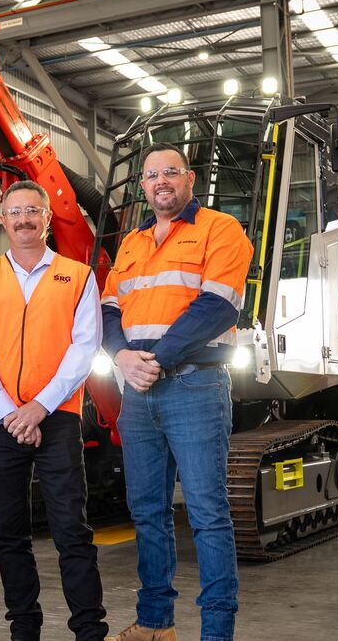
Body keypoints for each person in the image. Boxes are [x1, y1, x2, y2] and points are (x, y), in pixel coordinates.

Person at [101, 142, 253, 641]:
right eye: (151, 175)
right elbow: (108, 309)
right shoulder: (132, 242)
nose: (160, 181)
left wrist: (154, 360)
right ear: (143, 187)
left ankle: (216, 633)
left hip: (194, 385)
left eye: (170, 172)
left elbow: (218, 306)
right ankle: (155, 624)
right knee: (147, 512)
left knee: (208, 514)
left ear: (190, 179)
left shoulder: (220, 228)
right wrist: (121, 357)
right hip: (138, 392)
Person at [0, 179, 113, 641]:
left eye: (33, 211)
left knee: (72, 530)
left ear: (47, 218)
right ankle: (24, 629)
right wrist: (9, 411)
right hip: (0, 419)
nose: (24, 219)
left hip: (58, 418)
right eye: (16, 212)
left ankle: (89, 630)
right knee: (10, 534)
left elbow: (85, 347)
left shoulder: (78, 276)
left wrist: (39, 407)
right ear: (3, 220)